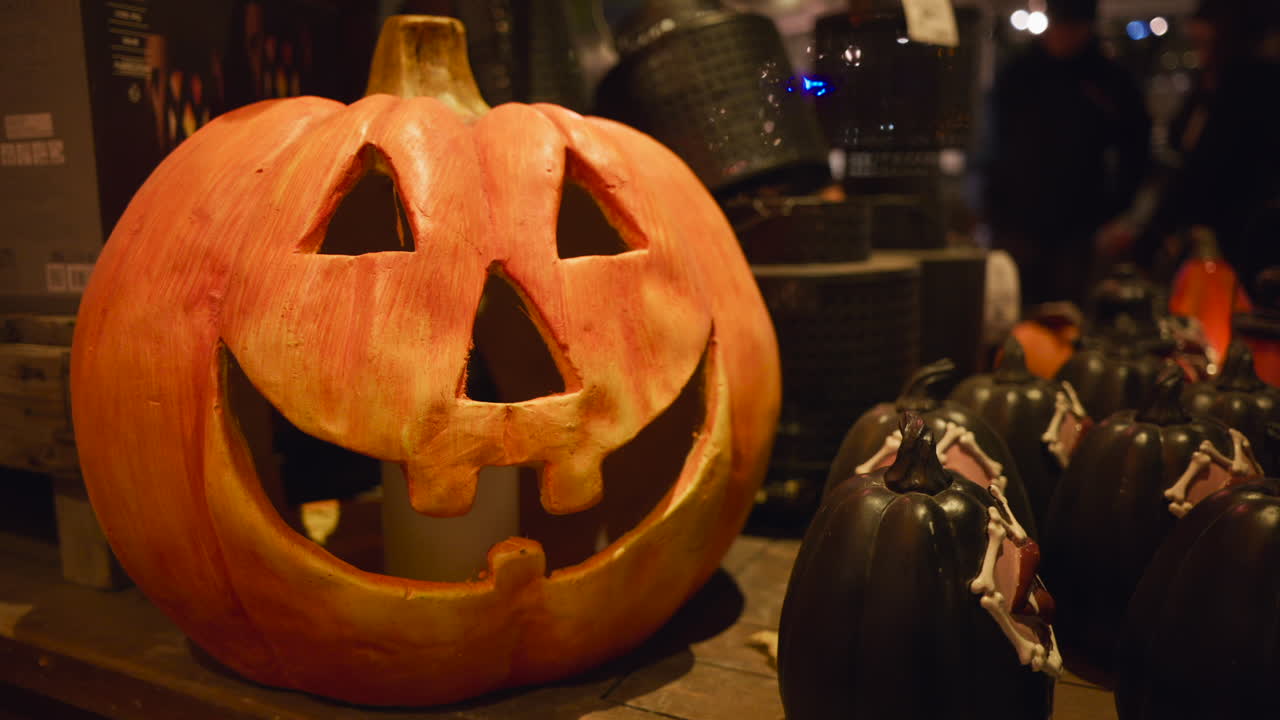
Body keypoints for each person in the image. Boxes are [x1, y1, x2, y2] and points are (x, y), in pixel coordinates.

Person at [970, 0, 1151, 307]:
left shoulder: (1107, 79)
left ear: (1087, 28)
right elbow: (990, 143)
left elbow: (1136, 150)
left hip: (1076, 228)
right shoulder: (1018, 74)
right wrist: (988, 205)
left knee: (1065, 315)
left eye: (1073, 27)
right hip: (1014, 222)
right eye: (1059, 25)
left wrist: (1114, 209)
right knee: (1009, 311)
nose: (1063, 35)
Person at [1129, 0, 1280, 295]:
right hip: (1207, 239)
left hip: (1238, 240)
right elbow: (1186, 160)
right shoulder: (1210, 84)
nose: (1198, 48)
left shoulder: (1248, 88)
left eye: (1204, 40)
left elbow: (1206, 167)